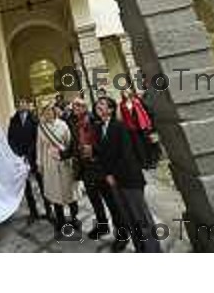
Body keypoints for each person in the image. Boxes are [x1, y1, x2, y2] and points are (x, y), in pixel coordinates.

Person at [94, 98, 161, 253]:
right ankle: (140, 249)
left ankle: (153, 250)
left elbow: (126, 155)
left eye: (102, 104)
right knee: (129, 218)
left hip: (129, 179)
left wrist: (112, 174)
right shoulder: (98, 129)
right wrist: (107, 174)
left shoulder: (120, 126)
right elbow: (102, 156)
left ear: (111, 109)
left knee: (142, 218)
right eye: (97, 105)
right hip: (114, 182)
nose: (98, 106)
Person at [65, 97, 126, 246]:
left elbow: (107, 145)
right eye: (74, 106)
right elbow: (74, 145)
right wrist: (62, 155)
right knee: (95, 202)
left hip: (101, 168)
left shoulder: (96, 120)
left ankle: (122, 235)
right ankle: (102, 226)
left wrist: (94, 150)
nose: (76, 108)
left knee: (113, 204)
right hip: (86, 169)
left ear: (86, 107)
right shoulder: (73, 123)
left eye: (79, 105)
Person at [8, 98, 52, 221]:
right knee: (26, 187)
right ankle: (33, 212)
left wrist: (28, 153)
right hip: (20, 159)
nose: (21, 105)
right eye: (19, 103)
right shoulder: (13, 120)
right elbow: (10, 139)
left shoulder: (35, 120)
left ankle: (49, 210)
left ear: (28, 105)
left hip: (34, 156)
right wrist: (17, 154)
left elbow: (37, 138)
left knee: (42, 185)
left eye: (24, 103)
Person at [36, 104, 78, 233]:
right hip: (50, 164)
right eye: (45, 112)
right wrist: (40, 164)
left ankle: (74, 217)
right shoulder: (41, 128)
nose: (48, 114)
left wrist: (66, 156)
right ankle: (60, 220)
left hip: (64, 163)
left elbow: (69, 142)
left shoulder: (63, 125)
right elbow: (40, 147)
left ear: (54, 112)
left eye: (50, 111)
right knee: (55, 193)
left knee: (70, 191)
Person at [119, 89, 157, 169]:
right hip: (132, 128)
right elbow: (123, 118)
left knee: (148, 144)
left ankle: (152, 161)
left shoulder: (136, 101)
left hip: (142, 125)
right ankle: (145, 163)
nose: (125, 94)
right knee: (139, 146)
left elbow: (143, 113)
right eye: (123, 92)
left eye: (126, 92)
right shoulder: (122, 104)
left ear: (129, 93)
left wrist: (148, 124)